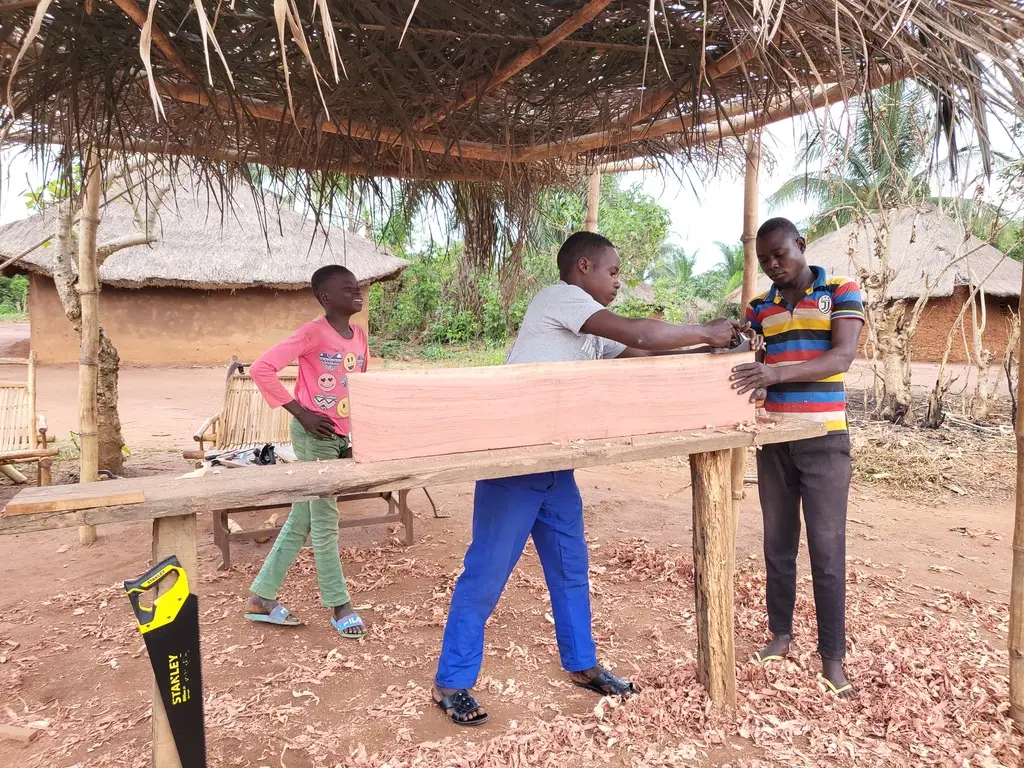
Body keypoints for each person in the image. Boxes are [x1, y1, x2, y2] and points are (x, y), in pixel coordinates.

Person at [432, 231, 744, 726]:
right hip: (514, 461)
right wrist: (705, 331)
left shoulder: (593, 328)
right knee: (486, 575)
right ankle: (451, 681)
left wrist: (713, 351)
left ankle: (581, 663)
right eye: (612, 271)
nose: (618, 282)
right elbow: (641, 334)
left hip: (556, 464)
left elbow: (642, 354)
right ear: (583, 267)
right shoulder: (559, 298)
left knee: (571, 569)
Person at [729, 217, 865, 699]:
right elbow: (746, 360)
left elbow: (841, 357)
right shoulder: (759, 307)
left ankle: (832, 659)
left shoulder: (841, 290)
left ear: (801, 245)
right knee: (778, 544)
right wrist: (738, 348)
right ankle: (780, 636)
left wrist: (774, 374)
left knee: (827, 550)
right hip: (774, 440)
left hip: (825, 439)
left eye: (780, 254)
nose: (772, 264)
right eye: (764, 259)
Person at [243, 264, 369, 639]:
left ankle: (261, 597)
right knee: (325, 520)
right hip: (313, 436)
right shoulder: (312, 333)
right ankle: (339, 604)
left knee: (303, 518)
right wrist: (302, 413)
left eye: (357, 286)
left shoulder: (360, 335)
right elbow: (262, 368)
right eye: (347, 288)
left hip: (340, 436)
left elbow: (360, 387)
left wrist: (354, 436)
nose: (356, 291)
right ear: (325, 298)